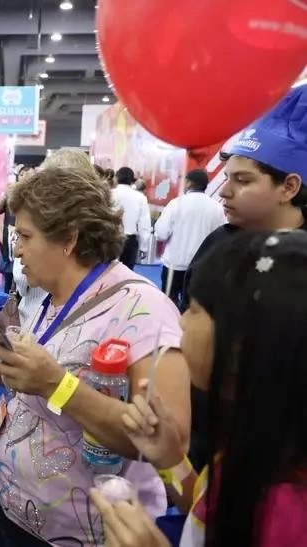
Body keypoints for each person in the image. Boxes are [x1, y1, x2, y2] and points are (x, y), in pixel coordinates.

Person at [0, 165, 190, 546]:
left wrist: (58, 385)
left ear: (67, 239)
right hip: (15, 514)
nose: (15, 248)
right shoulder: (52, 297)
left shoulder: (145, 310)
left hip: (86, 534)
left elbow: (167, 442)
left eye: (25, 236)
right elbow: (43, 382)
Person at [91, 230, 307, 547]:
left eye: (193, 308)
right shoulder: (259, 438)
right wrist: (170, 460)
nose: (180, 322)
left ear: (240, 342)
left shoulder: (290, 509)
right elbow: (211, 511)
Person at [182, 85, 307, 473]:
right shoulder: (218, 245)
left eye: (244, 180)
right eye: (227, 177)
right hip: (201, 428)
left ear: (289, 186)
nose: (225, 192)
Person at [153, 169, 225, 307]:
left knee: (169, 305)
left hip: (175, 265)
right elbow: (221, 238)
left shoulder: (176, 203)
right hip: (201, 267)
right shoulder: (216, 208)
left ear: (189, 183)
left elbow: (161, 233)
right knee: (194, 308)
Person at [112, 167, 152, 269]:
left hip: (110, 237)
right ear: (132, 180)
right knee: (127, 274)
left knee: (106, 273)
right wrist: (144, 247)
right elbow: (144, 224)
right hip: (129, 240)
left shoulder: (109, 193)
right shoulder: (140, 197)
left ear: (116, 177)